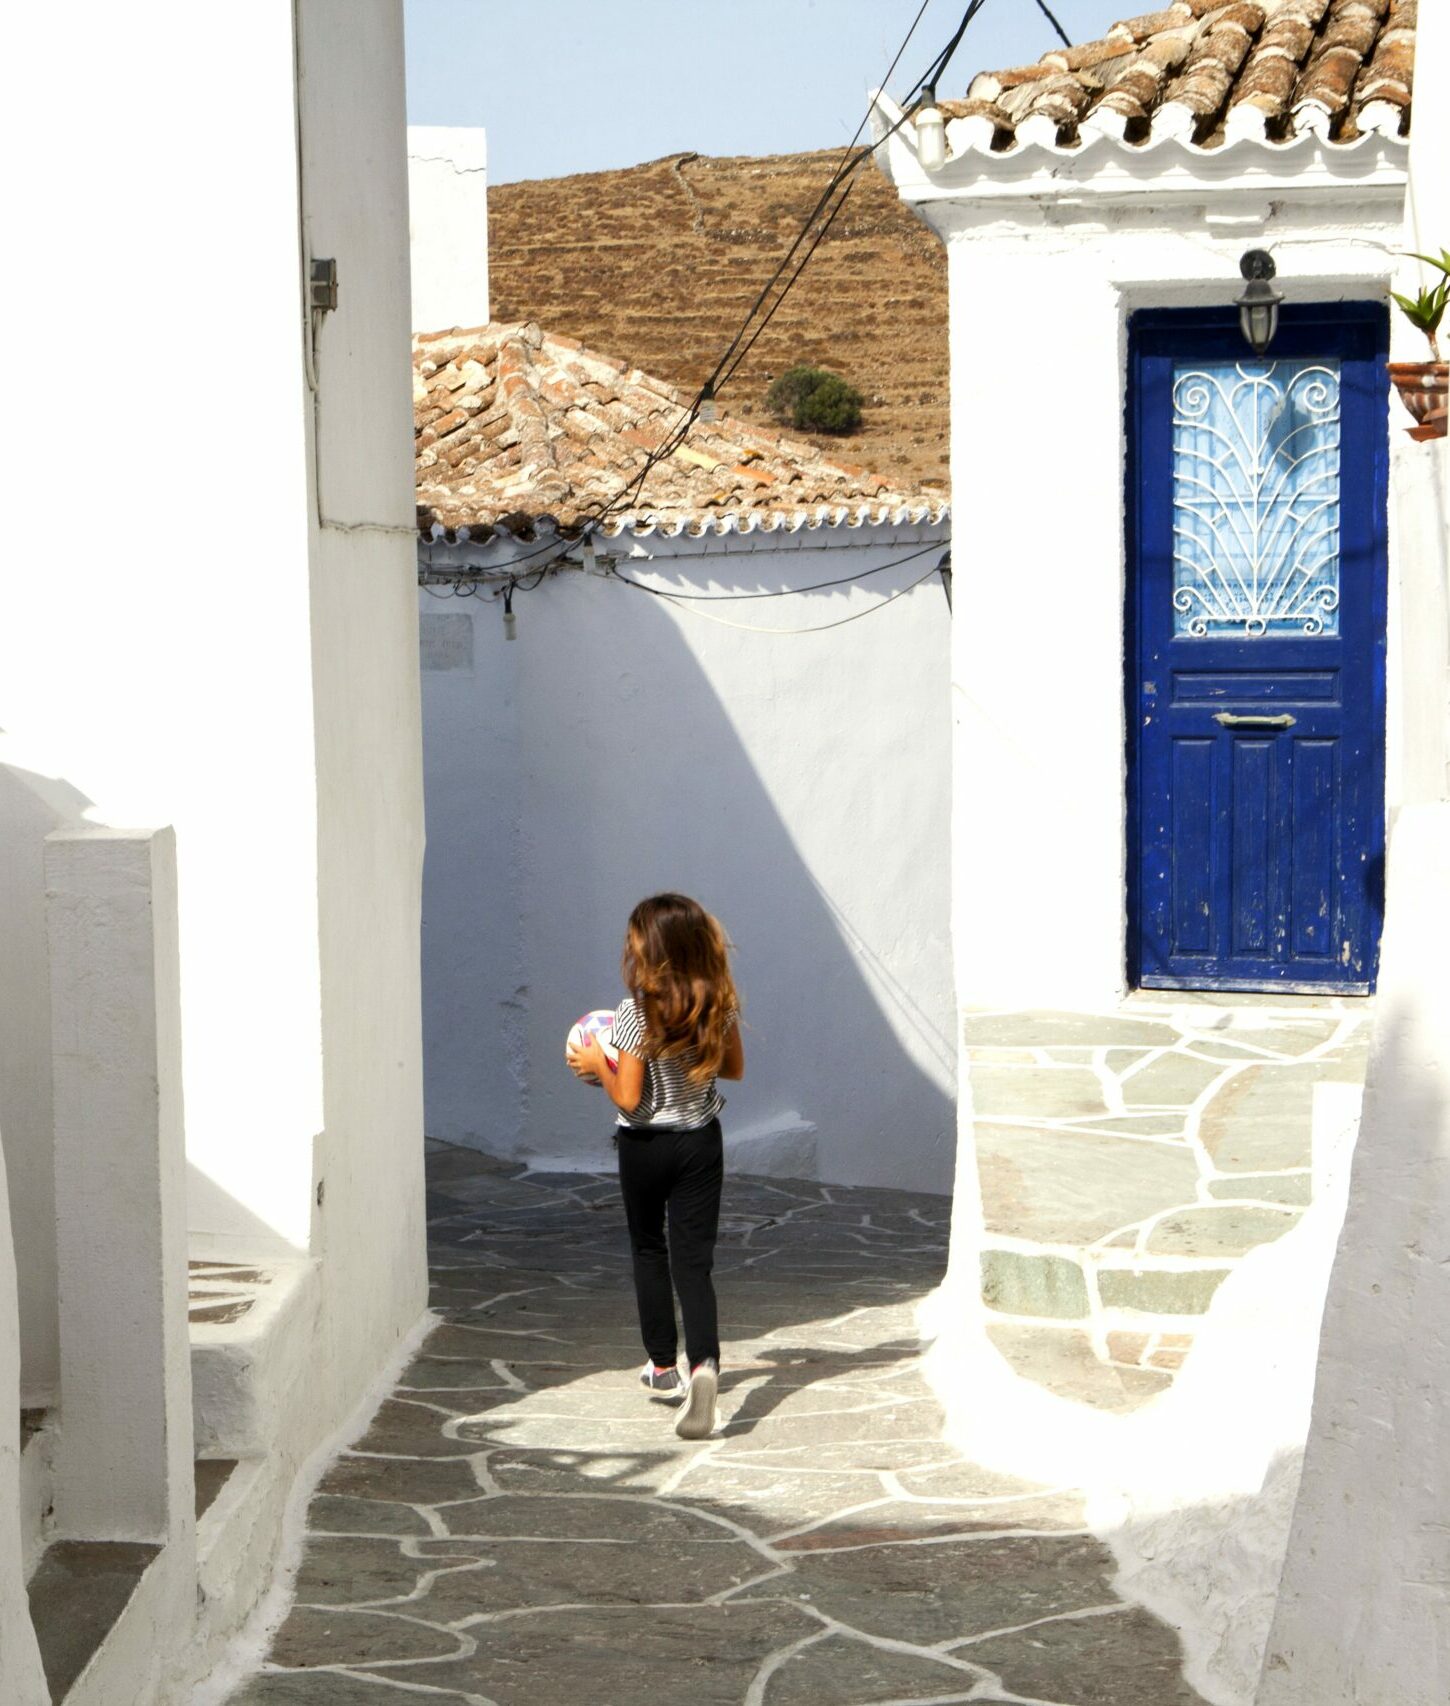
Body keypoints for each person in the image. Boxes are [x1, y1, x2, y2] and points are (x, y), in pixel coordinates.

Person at [566, 893, 744, 1441]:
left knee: (649, 1249)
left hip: (645, 1148)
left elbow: (628, 1097)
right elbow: (734, 1069)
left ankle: (663, 1365)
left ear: (652, 951)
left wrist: (597, 1062)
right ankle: (705, 1364)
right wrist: (696, 1055)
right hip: (700, 1144)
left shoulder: (635, 1013)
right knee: (694, 1263)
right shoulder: (718, 1004)